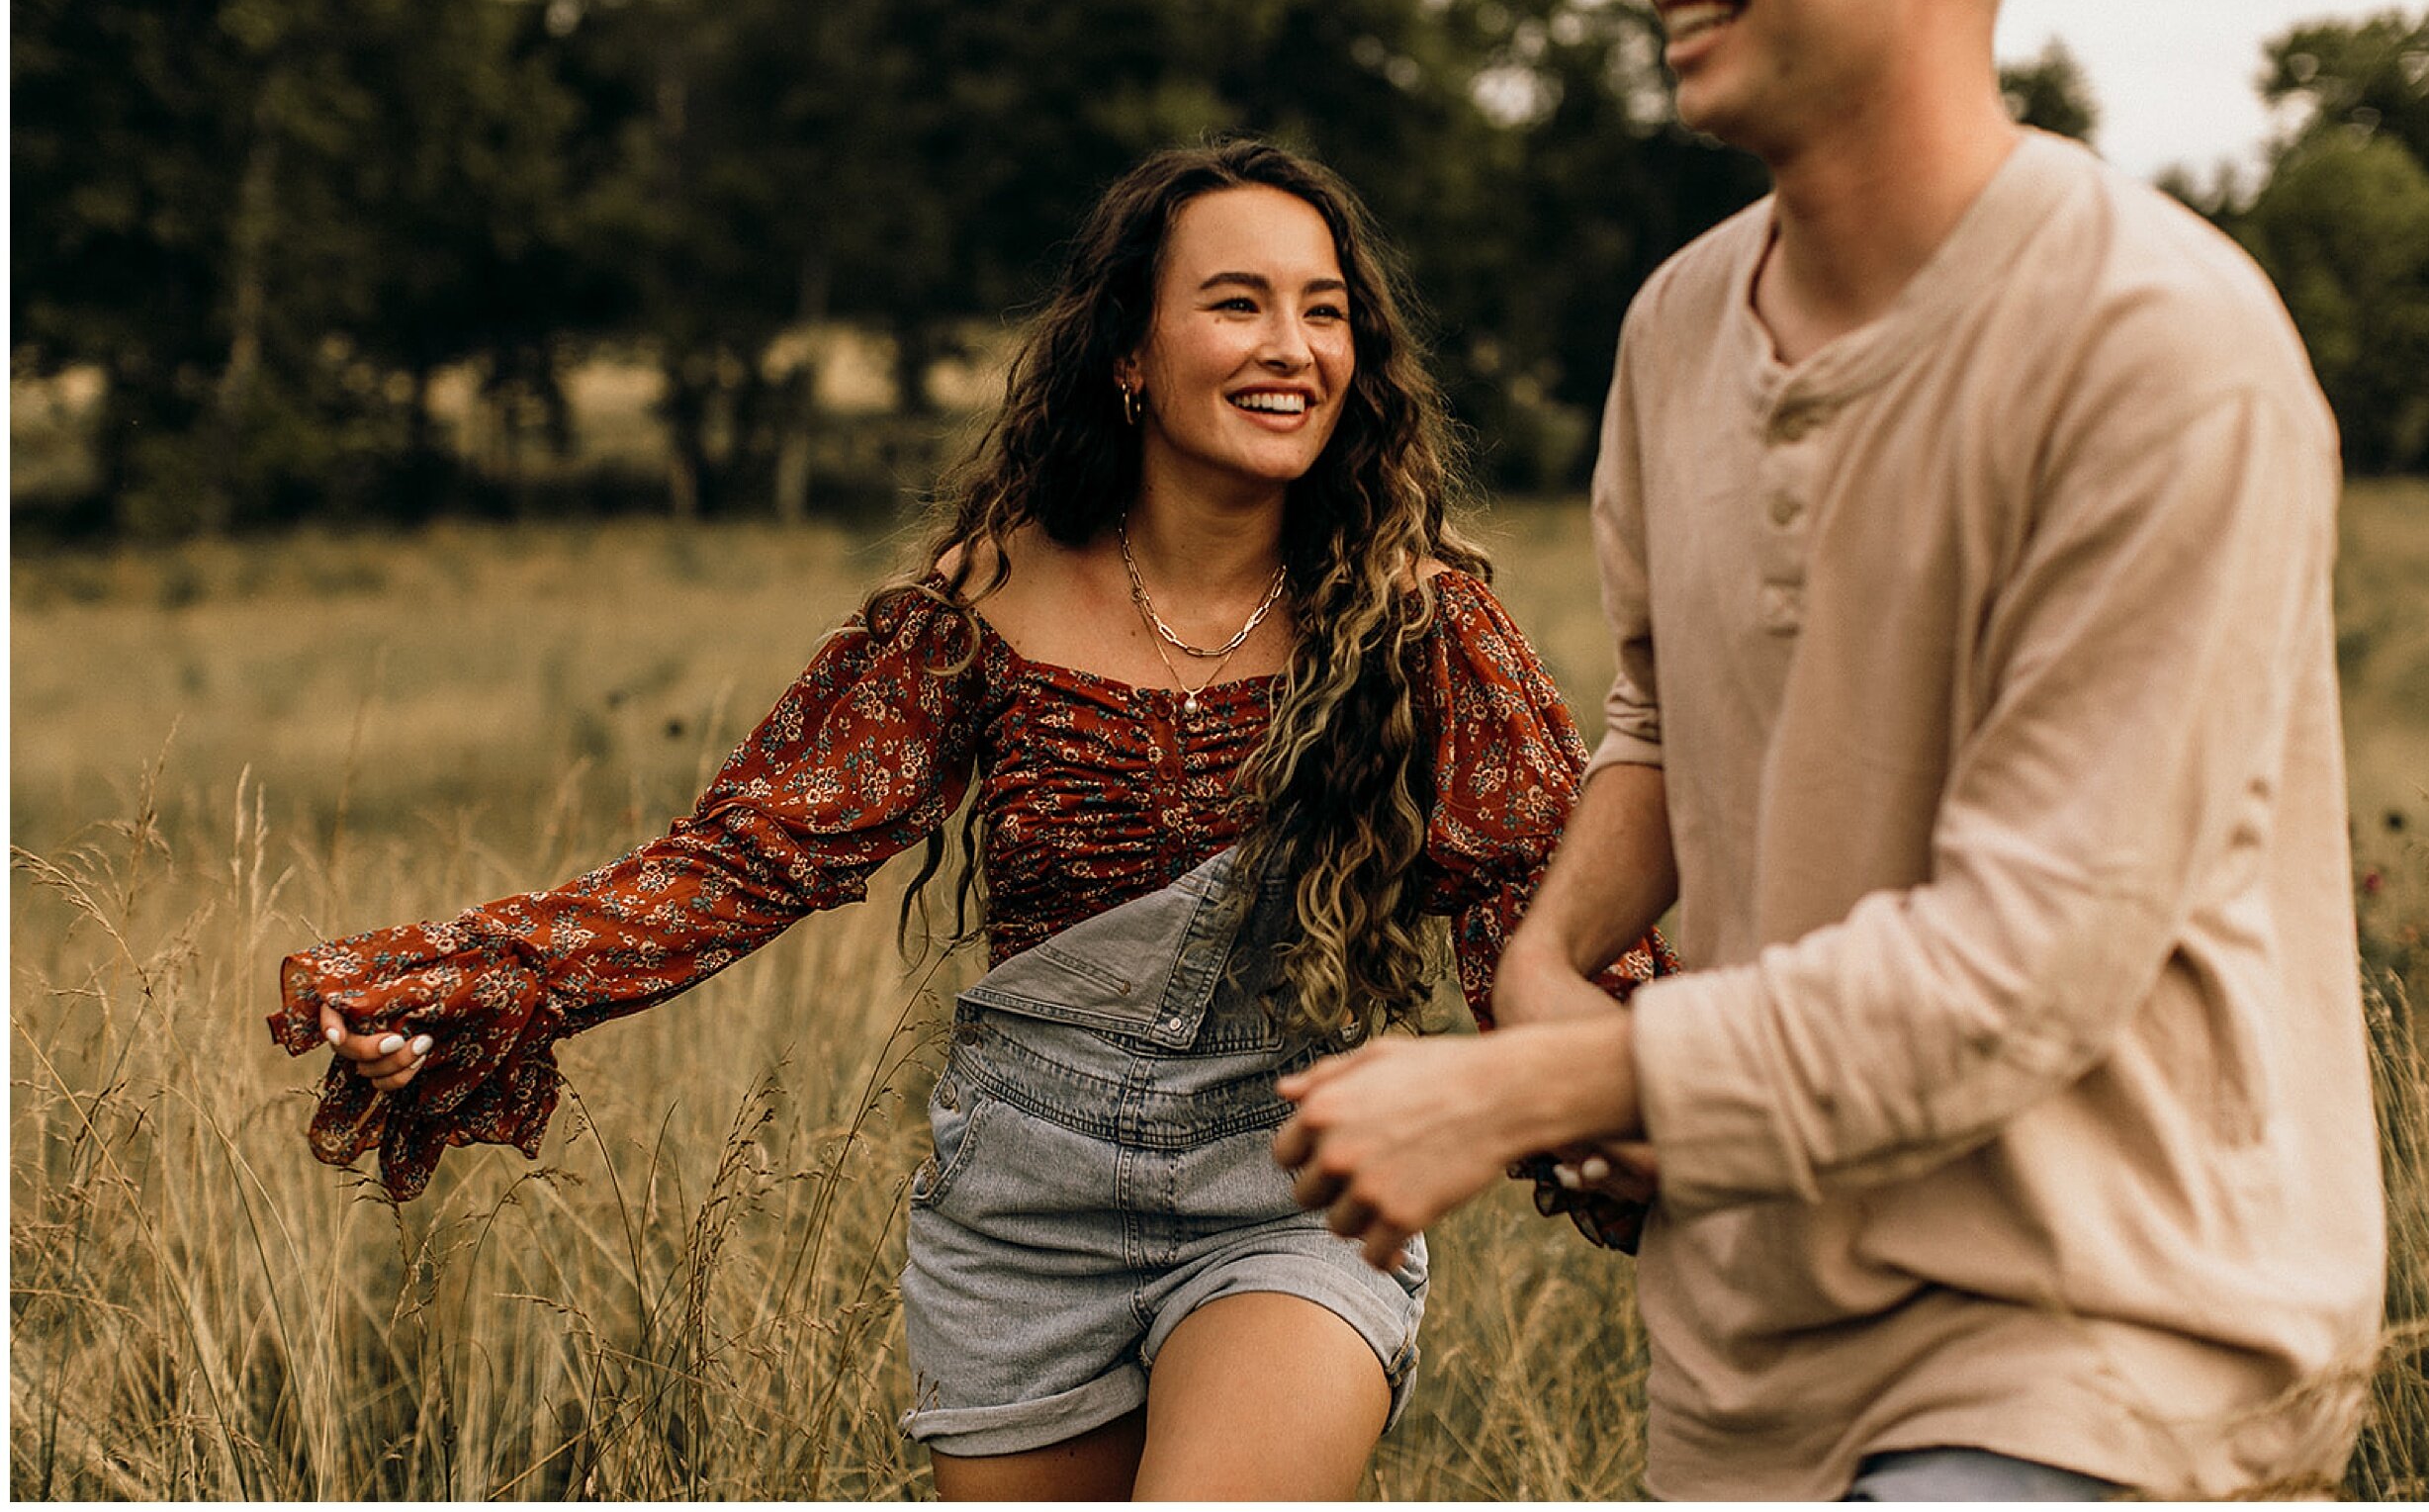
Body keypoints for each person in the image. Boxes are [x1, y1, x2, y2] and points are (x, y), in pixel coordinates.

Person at [270, 138, 1650, 1508]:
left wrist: (1630, 1088)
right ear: (1128, 349)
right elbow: (753, 852)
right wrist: (484, 983)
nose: (1291, 346)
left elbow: (1534, 894)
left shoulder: (1419, 619)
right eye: (1238, 302)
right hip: (1025, 1201)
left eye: (1325, 309)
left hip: (1285, 1175)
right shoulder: (986, 601)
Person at [1275, 0, 2385, 1507]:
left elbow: (2022, 962)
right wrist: (1547, 968)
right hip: (1751, 1351)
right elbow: (1663, 722)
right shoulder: (1675, 329)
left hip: (2106, 1336)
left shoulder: (2162, 346)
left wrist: (1539, 1084)